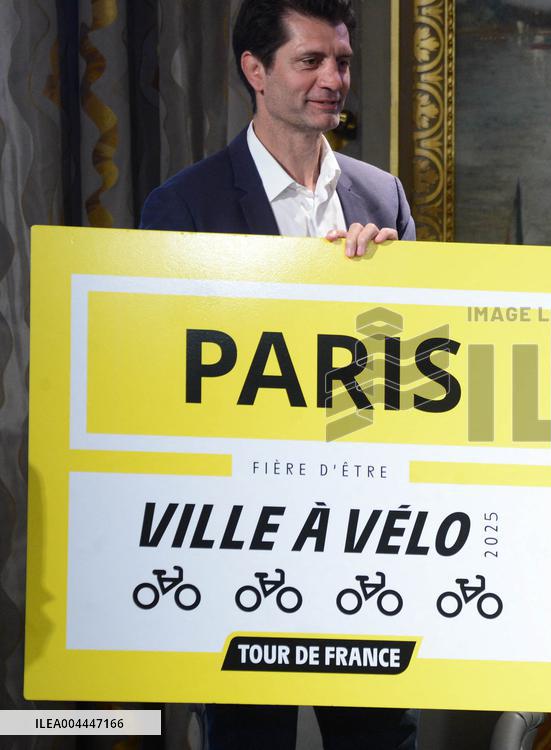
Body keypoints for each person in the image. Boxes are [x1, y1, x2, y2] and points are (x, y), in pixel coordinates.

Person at [140, 1, 416, 748]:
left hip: (365, 539)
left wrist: (390, 289)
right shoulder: (183, 206)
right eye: (311, 61)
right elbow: (161, 386)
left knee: (380, 740)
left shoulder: (383, 196)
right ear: (255, 71)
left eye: (344, 62)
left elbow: (416, 382)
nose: (334, 79)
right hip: (239, 542)